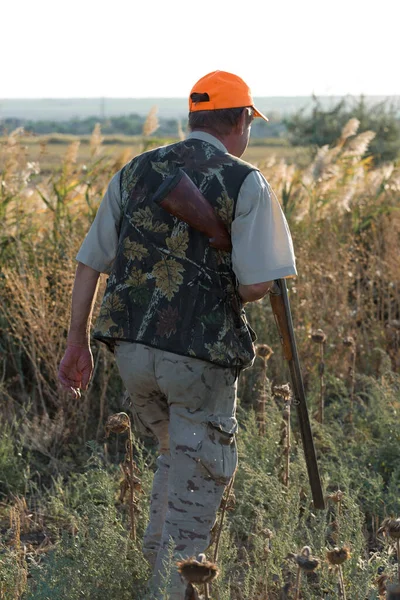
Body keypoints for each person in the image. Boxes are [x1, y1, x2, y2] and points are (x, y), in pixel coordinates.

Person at [58, 70, 297, 599]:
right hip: (197, 361)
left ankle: (159, 573)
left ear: (194, 119)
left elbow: (89, 263)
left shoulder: (133, 171)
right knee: (195, 502)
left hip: (131, 356)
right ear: (239, 120)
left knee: (176, 464)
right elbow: (257, 282)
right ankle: (166, 589)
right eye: (248, 123)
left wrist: (76, 343)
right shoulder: (246, 180)